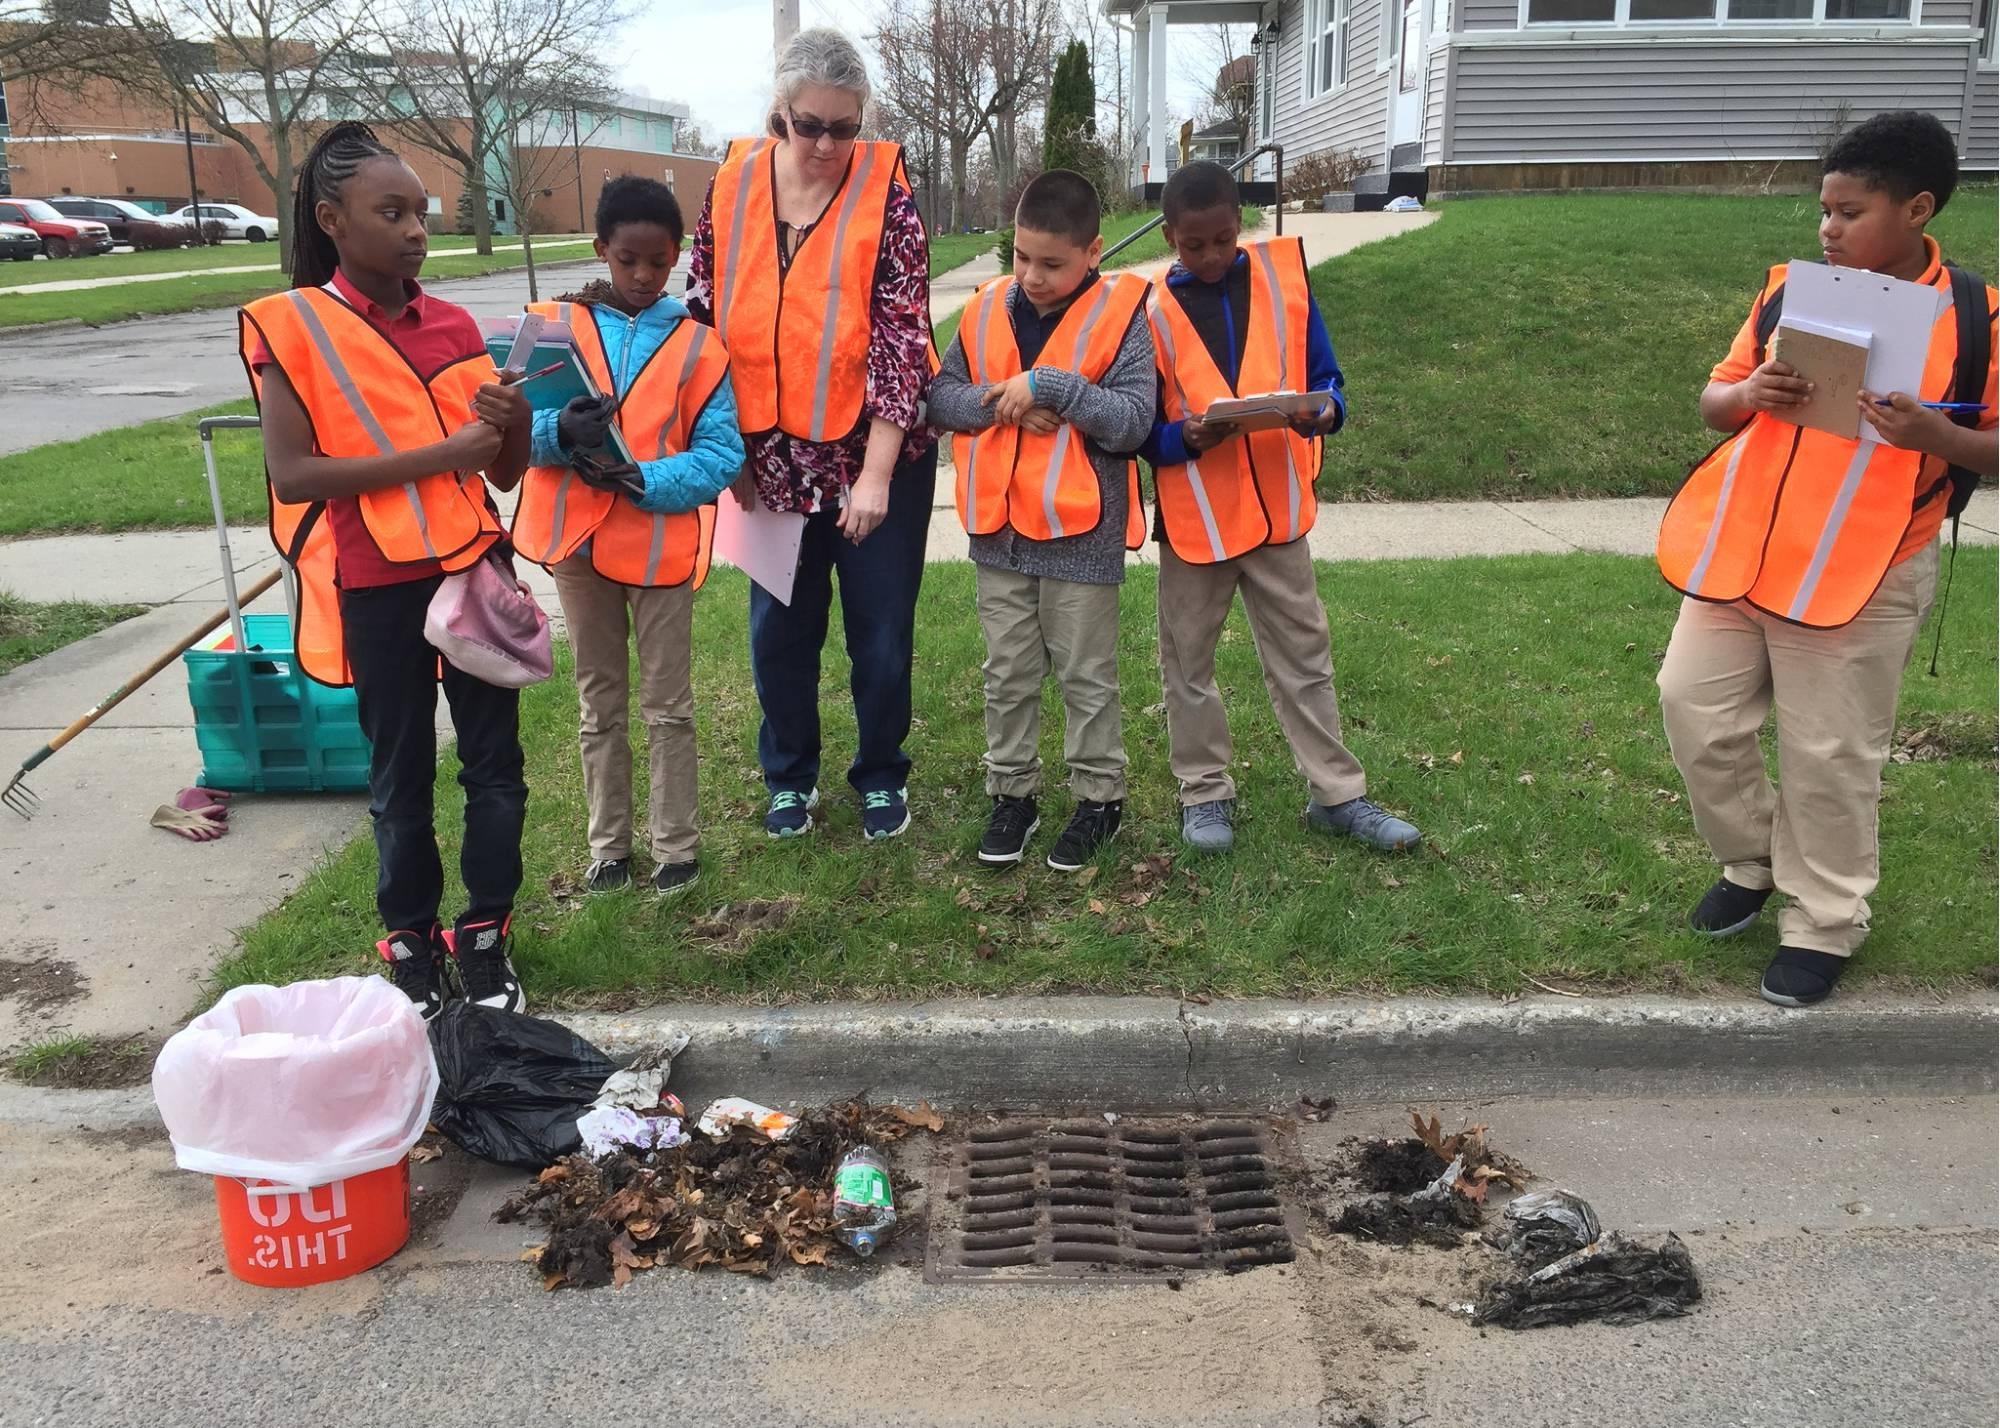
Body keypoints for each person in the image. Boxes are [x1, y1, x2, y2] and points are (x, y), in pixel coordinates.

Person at [1656, 110, 1997, 1007]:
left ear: (1917, 208)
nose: (1828, 229)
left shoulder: (1976, 317)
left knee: (1830, 755)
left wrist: (1937, 436)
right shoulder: (1785, 293)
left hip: (1867, 570)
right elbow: (1712, 402)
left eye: (1849, 212)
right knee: (1692, 710)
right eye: (1824, 211)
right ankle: (1754, 861)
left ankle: (1824, 922)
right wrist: (1746, 392)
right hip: (1746, 555)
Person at [239, 121, 534, 1019]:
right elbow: (294, 473)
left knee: (495, 769)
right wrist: (442, 450)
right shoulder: (291, 327)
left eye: (422, 212)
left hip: (476, 569)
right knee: (399, 778)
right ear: (331, 219)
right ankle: (411, 944)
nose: (416, 230)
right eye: (391, 211)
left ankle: (484, 936)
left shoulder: (451, 322)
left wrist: (511, 423)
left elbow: (503, 471)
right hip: (377, 585)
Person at [685, 27, 937, 842]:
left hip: (875, 456)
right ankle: (789, 778)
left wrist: (875, 474)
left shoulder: (888, 195)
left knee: (881, 632)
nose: (827, 144)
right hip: (769, 463)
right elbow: (699, 328)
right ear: (778, 115)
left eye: (844, 126)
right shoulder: (727, 190)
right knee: (779, 635)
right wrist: (730, 459)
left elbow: (903, 340)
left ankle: (880, 775)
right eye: (809, 125)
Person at [1138, 160, 1421, 858]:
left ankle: (1338, 796)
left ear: (1244, 222)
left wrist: (1324, 412)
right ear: (1170, 236)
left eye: (1223, 239)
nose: (1209, 256)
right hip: (1197, 526)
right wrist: (1183, 437)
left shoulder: (1283, 281)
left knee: (1305, 657)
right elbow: (1139, 423)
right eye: (1192, 244)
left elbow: (1328, 378)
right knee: (1188, 666)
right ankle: (1204, 795)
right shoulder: (1143, 309)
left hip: (1276, 519)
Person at [513, 177, 745, 899]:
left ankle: (677, 847)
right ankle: (609, 849)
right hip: (578, 551)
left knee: (669, 705)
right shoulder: (548, 326)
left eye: (658, 261)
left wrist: (642, 478)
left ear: (677, 257)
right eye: (627, 261)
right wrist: (557, 431)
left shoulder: (701, 346)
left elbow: (721, 452)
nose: (644, 276)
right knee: (599, 701)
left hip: (657, 548)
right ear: (600, 251)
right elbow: (505, 431)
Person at [926, 170, 1155, 871]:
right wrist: (1007, 401)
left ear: (1093, 253)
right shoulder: (987, 306)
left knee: (1086, 675)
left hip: (1081, 535)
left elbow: (1133, 423)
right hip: (998, 533)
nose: (1031, 275)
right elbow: (942, 399)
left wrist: (1052, 387)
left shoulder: (1123, 318)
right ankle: (1012, 793)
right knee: (1008, 673)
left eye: (1052, 263)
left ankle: (1099, 800)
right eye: (1021, 257)